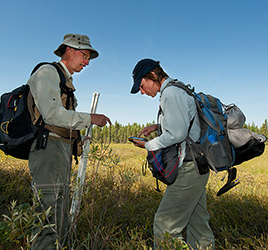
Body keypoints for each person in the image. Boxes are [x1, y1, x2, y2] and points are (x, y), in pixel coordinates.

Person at [27, 33, 111, 249]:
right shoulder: (47, 72)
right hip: (49, 147)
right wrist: (90, 118)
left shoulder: (65, 80)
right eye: (85, 55)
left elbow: (61, 122)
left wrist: (80, 137)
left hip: (59, 149)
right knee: (48, 209)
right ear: (69, 50)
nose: (87, 62)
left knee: (59, 208)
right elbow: (52, 115)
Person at [130, 58, 215, 250]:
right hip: (198, 166)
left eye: (142, 86)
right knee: (198, 224)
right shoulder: (179, 89)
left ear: (152, 75)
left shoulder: (170, 93)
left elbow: (176, 134)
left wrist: (147, 145)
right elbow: (187, 126)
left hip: (189, 168)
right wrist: (158, 126)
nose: (142, 92)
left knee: (164, 225)